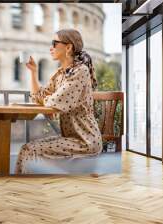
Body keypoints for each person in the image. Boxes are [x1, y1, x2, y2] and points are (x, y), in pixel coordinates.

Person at [14, 29, 102, 174]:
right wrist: (33, 72)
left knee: (29, 150)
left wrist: (48, 99)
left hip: (86, 141)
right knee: (27, 148)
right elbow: (38, 97)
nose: (51, 47)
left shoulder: (80, 71)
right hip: (70, 138)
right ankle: (25, 189)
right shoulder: (60, 73)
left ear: (68, 47)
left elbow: (56, 102)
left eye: (54, 43)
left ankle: (24, 191)